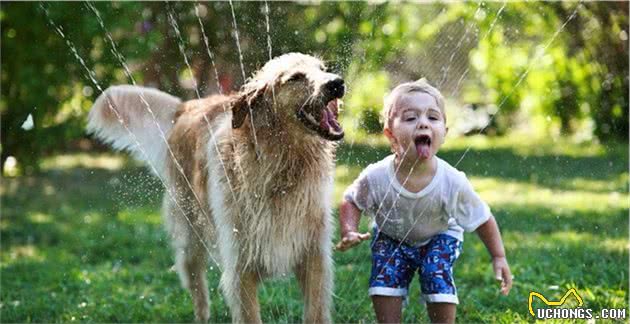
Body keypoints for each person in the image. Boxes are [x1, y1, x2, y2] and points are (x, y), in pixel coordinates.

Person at [336, 79, 512, 323]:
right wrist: (349, 229)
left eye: (433, 117)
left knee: (435, 272)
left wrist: (499, 256)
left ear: (444, 132)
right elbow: (351, 200)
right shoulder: (376, 176)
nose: (423, 123)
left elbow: (482, 218)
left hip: (439, 235)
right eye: (410, 118)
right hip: (391, 235)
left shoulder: (452, 181)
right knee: (383, 281)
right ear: (390, 134)